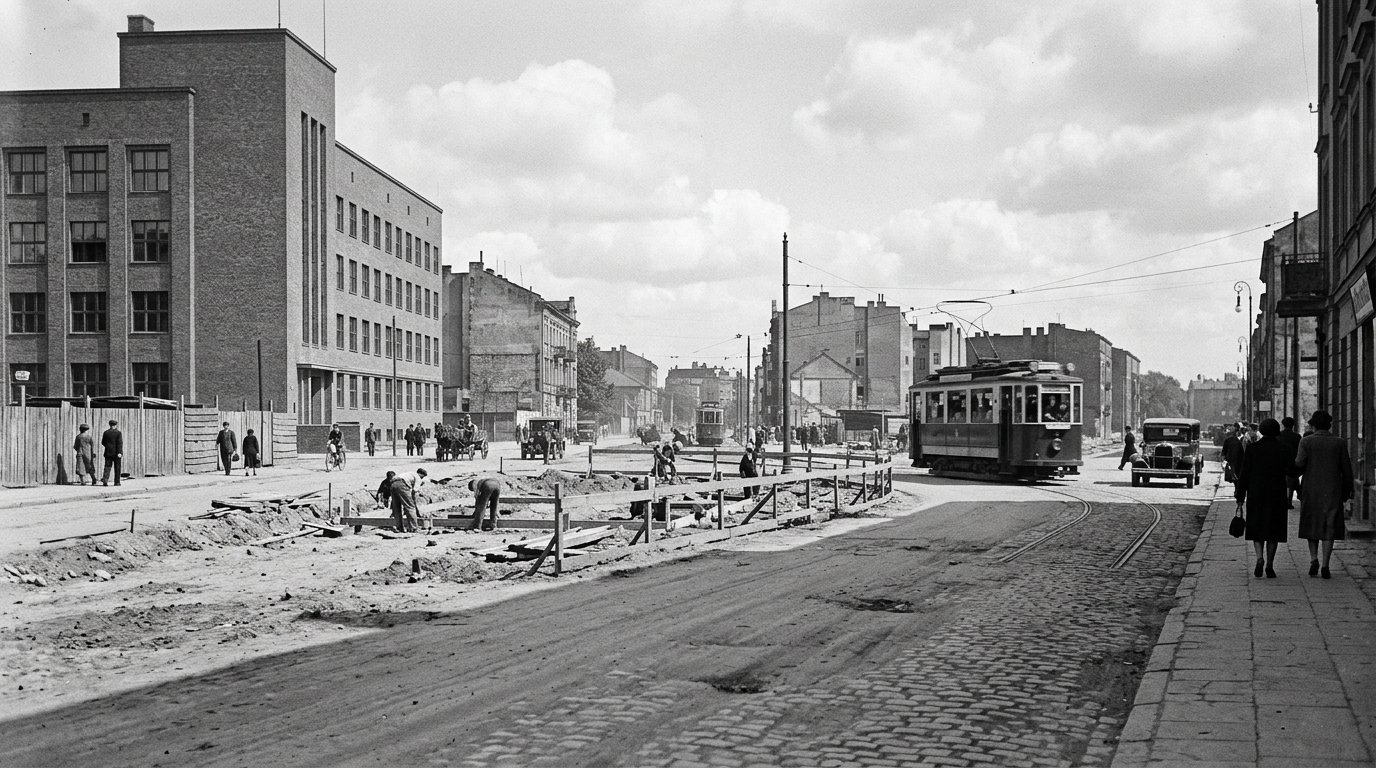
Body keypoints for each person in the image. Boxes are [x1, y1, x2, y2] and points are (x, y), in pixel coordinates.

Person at [1295, 409, 1353, 579]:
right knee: (1329, 526)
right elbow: (1346, 469)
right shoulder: (1339, 443)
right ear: (1329, 425)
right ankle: (1326, 564)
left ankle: (1314, 559)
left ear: (1313, 425)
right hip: (1332, 490)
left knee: (1311, 524)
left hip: (1311, 490)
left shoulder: (1306, 442)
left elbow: (1299, 464)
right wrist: (1348, 491)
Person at [1234, 418, 1293, 579]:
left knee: (1257, 527)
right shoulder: (1284, 449)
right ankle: (1269, 565)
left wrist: (1240, 496)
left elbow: (1244, 474)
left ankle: (1259, 557)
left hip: (1256, 493)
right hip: (1276, 493)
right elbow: (1291, 471)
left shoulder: (1253, 449)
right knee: (1273, 530)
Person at [389, 467, 428, 533]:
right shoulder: (417, 477)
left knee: (397, 508)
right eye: (422, 477)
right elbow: (414, 490)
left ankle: (399, 528)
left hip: (393, 485)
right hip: (402, 485)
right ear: (420, 474)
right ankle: (414, 528)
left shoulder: (408, 474)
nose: (422, 478)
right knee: (410, 507)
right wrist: (413, 502)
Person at [1278, 416, 1302, 509]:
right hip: (1293, 463)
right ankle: (1290, 501)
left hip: (1281, 463)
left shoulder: (1279, 436)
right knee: (1292, 482)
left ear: (1283, 425)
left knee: (1286, 483)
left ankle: (1287, 501)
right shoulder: (1297, 436)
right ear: (1293, 425)